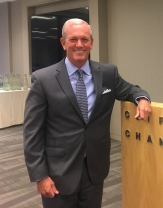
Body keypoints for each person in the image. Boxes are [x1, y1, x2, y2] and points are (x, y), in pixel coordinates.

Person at [23, 18, 151, 208]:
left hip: (94, 169)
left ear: (91, 42)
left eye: (84, 39)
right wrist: (40, 176)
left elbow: (131, 90)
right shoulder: (43, 79)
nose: (79, 45)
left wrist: (142, 99)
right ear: (63, 42)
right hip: (59, 171)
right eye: (73, 39)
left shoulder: (108, 73)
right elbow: (32, 133)